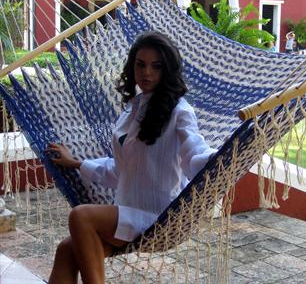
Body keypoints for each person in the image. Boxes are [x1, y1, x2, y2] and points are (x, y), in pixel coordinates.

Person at [46, 31, 217, 284]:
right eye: (141, 64)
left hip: (159, 217)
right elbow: (120, 171)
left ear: (166, 70)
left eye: (156, 66)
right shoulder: (133, 109)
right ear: (132, 66)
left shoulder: (180, 111)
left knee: (81, 216)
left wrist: (222, 156)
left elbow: (194, 154)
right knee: (66, 250)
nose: (147, 72)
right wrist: (76, 163)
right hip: (126, 211)